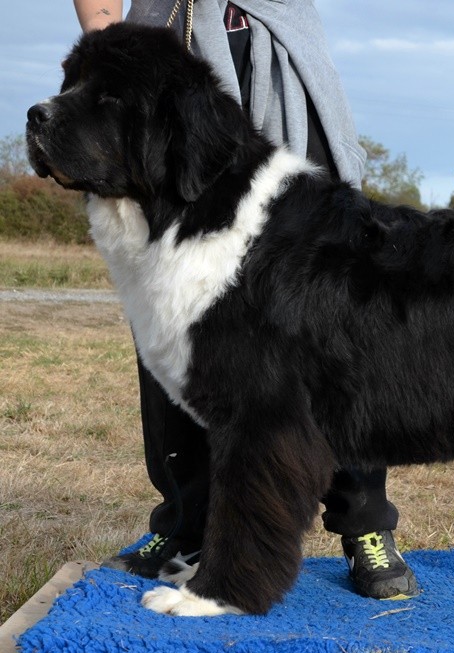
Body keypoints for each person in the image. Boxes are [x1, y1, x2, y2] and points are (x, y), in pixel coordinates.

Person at [71, 0, 419, 601]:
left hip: (276, 42)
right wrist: (108, 36)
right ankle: (187, 524)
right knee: (171, 307)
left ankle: (364, 521)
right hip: (163, 36)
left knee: (329, 308)